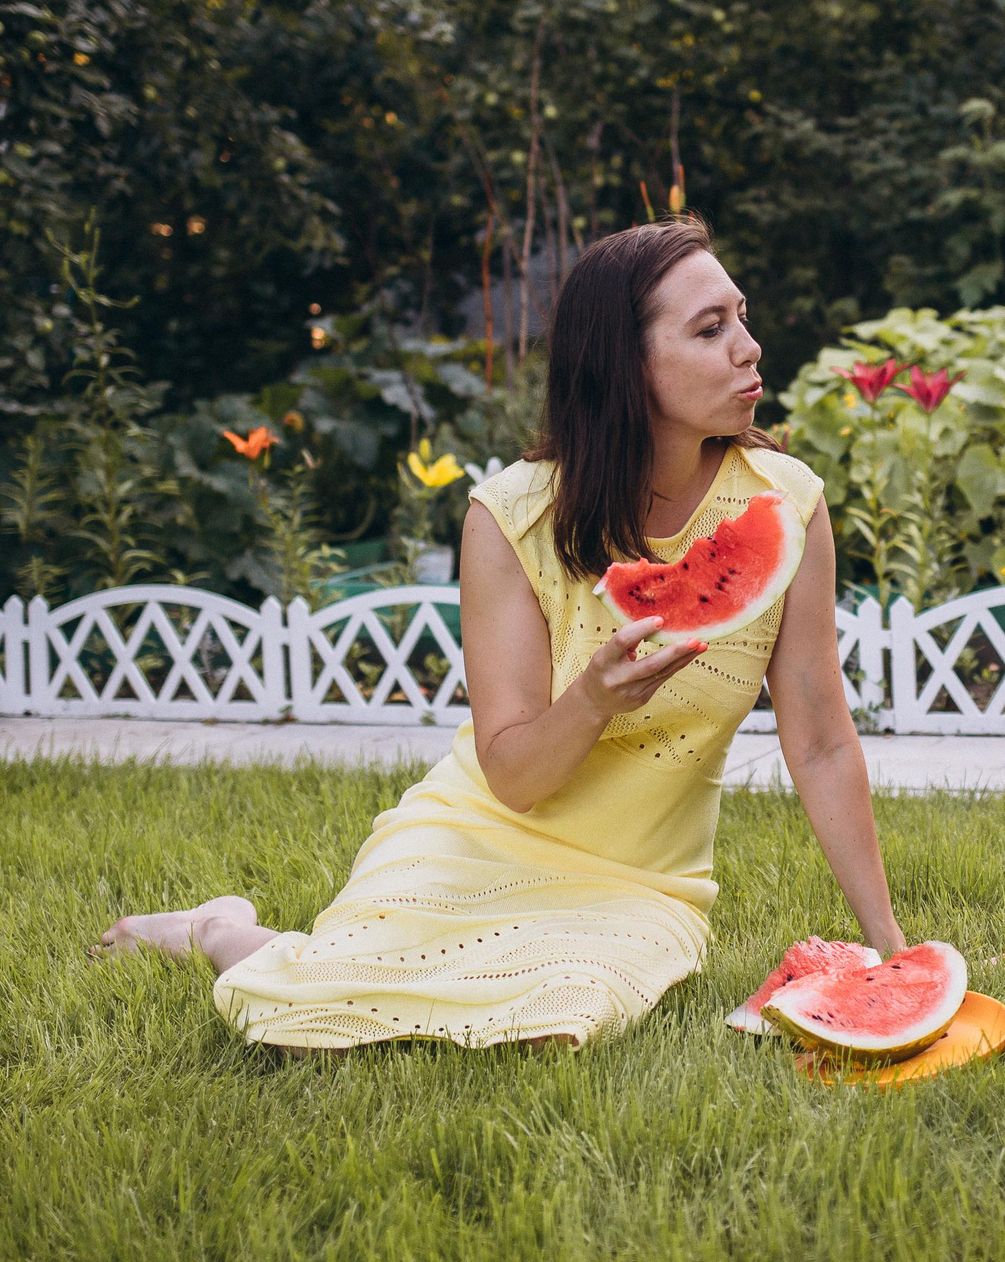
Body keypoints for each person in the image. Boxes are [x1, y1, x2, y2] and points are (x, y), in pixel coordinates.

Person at [101, 217, 908, 1048]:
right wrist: (591, 699)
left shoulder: (786, 505)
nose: (750, 347)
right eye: (710, 329)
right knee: (324, 1001)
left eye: (741, 317)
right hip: (479, 834)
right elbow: (514, 777)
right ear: (623, 362)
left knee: (560, 1016)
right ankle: (221, 928)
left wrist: (891, 946)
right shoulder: (511, 516)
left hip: (639, 883)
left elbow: (821, 744)